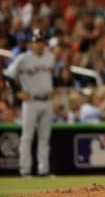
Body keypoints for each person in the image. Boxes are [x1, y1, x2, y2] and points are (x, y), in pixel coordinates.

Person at [3, 29, 55, 177]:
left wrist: (53, 88)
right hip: (31, 102)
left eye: (41, 42)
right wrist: (17, 92)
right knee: (27, 137)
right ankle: (25, 170)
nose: (39, 45)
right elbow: (8, 75)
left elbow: (51, 77)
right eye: (36, 42)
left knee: (44, 138)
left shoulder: (50, 57)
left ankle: (43, 170)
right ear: (31, 43)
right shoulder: (23, 59)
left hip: (47, 101)